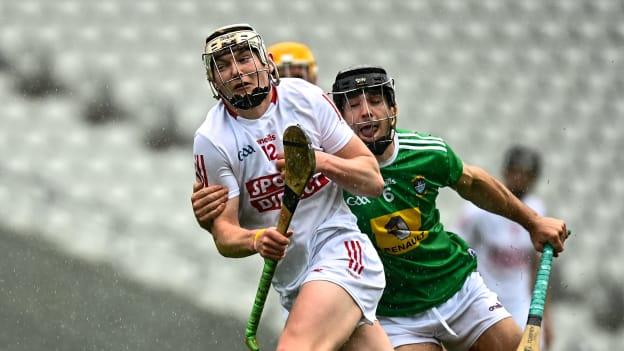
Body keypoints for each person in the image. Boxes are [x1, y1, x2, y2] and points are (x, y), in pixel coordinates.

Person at [193, 64, 569, 351]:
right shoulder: (318, 181)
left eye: (375, 101)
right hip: (395, 316)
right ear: (336, 116)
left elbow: (474, 184)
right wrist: (210, 211)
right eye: (353, 105)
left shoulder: (426, 152)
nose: (367, 113)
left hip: (458, 290)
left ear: (393, 108)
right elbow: (263, 174)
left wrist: (533, 222)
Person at [192, 24, 393, 351]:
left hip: (340, 251)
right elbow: (224, 235)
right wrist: (255, 239)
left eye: (244, 59)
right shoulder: (212, 139)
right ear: (213, 81)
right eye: (223, 65)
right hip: (292, 281)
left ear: (267, 62)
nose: (236, 72)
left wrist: (321, 162)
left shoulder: (304, 97)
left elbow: (371, 179)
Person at [456, 145, 553, 349]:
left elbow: (536, 266)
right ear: (505, 171)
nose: (520, 178)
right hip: (485, 299)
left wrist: (546, 314)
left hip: (520, 303)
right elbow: (457, 248)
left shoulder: (537, 211)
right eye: (515, 171)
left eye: (526, 174)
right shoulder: (478, 209)